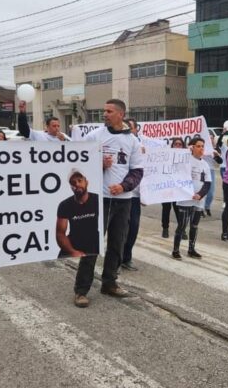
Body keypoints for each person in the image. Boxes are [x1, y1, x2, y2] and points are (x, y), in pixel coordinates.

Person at [73, 99, 143, 308]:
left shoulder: (133, 141)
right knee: (91, 244)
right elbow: (76, 161)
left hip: (123, 201)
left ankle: (109, 283)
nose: (104, 114)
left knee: (117, 243)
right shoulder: (95, 136)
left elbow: (137, 171)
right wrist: (97, 163)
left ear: (121, 114)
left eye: (109, 111)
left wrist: (124, 186)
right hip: (98, 199)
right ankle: (81, 290)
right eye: (104, 110)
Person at [171, 137, 211, 260]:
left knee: (194, 225)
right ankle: (175, 250)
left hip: (198, 200)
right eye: (198, 146)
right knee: (182, 225)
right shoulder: (185, 161)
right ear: (192, 147)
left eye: (202, 146)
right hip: (185, 198)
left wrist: (200, 194)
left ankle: (191, 249)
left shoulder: (205, 164)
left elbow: (208, 183)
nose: (201, 149)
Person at [56, 170, 100, 260]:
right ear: (71, 187)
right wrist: (73, 252)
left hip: (94, 245)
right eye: (73, 182)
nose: (77, 184)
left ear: (86, 182)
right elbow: (60, 234)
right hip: (74, 244)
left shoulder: (98, 200)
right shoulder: (65, 205)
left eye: (80, 180)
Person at [121, 118, 141, 271]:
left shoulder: (142, 146)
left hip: (135, 196)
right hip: (121, 195)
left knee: (133, 228)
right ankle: (116, 259)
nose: (127, 129)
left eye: (130, 127)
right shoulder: (119, 144)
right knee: (120, 230)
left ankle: (127, 258)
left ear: (135, 130)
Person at [161, 137, 184, 238]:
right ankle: (165, 228)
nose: (178, 146)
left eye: (180, 144)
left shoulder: (186, 157)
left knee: (179, 210)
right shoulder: (167, 156)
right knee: (166, 209)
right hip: (167, 187)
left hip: (179, 188)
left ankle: (181, 229)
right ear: (172, 145)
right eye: (176, 144)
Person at [203, 132, 223, 216]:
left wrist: (216, 156)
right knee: (202, 191)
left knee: (211, 192)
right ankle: (199, 209)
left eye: (211, 138)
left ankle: (207, 207)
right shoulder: (201, 147)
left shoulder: (216, 150)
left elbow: (219, 163)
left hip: (211, 171)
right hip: (201, 171)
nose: (210, 139)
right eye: (209, 138)